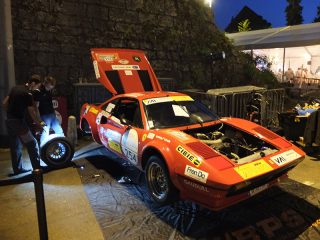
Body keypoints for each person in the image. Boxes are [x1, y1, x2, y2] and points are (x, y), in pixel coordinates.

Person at [2, 75, 44, 175]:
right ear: (33, 84)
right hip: (18, 122)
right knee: (32, 143)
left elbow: (4, 103)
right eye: (37, 87)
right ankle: (37, 168)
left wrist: (9, 114)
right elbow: (31, 112)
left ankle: (17, 170)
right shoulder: (28, 94)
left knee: (15, 146)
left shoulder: (15, 88)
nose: (36, 89)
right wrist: (39, 124)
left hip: (9, 120)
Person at [33, 76, 64, 145]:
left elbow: (50, 103)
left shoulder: (49, 91)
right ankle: (42, 148)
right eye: (51, 84)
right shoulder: (38, 92)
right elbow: (36, 107)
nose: (52, 86)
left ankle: (63, 144)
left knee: (59, 130)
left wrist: (54, 114)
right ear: (46, 83)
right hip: (43, 116)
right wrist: (39, 120)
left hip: (52, 115)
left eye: (53, 84)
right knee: (45, 132)